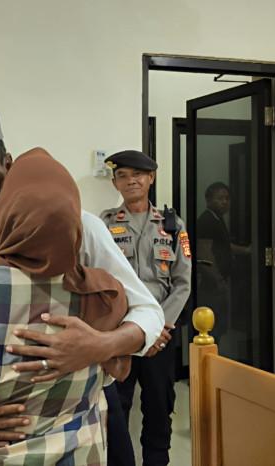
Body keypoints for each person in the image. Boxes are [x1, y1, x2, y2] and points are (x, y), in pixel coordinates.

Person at [0, 102, 168, 464]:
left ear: (7, 166)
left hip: (76, 429)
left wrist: (100, 345)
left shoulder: (76, 229)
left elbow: (148, 313)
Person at [99, 150, 191, 466]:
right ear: (115, 183)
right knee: (115, 409)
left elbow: (182, 283)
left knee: (158, 408)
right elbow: (98, 278)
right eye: (122, 176)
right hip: (119, 333)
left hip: (161, 337)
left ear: (150, 178)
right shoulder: (104, 224)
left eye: (137, 175)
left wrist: (158, 329)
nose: (131, 181)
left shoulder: (172, 225)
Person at [195, 182, 249, 341]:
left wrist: (246, 251)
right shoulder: (207, 220)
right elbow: (204, 253)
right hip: (211, 284)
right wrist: (218, 280)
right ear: (208, 200)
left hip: (219, 282)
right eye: (220, 198)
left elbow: (224, 245)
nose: (224, 202)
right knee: (211, 327)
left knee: (219, 326)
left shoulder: (217, 219)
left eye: (227, 198)